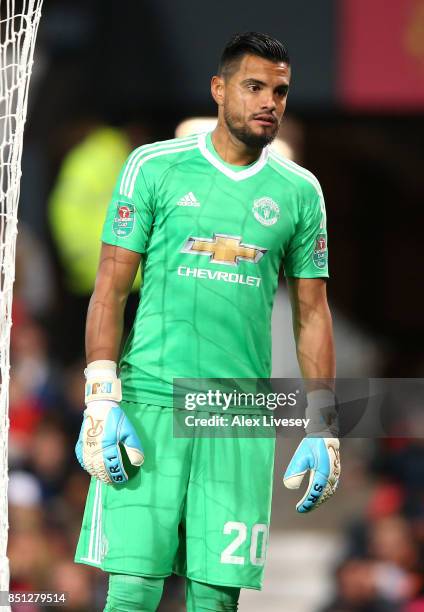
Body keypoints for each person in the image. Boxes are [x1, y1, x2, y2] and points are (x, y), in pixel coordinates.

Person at [75, 32, 340, 611]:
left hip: (239, 414)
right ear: (219, 90)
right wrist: (100, 397)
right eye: (254, 86)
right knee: (131, 592)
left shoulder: (300, 192)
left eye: (281, 91)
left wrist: (323, 425)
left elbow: (312, 313)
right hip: (149, 399)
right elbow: (111, 287)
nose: (269, 101)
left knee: (215, 600)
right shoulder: (153, 166)